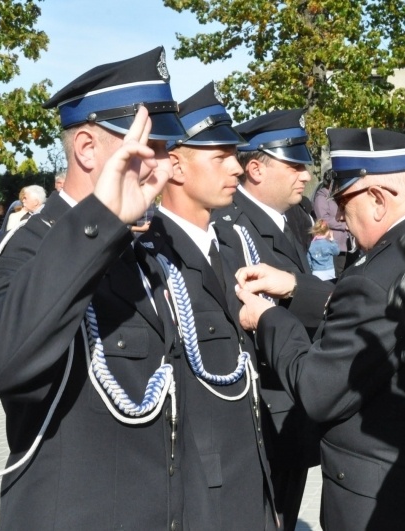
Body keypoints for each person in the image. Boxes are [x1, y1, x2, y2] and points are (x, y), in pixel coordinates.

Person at [0, 47, 268, 530]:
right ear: (86, 149)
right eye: (152, 150)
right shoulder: (33, 243)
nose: (164, 169)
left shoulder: (142, 250)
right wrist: (99, 222)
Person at [235, 127, 405, 530]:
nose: (338, 215)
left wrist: (269, 318)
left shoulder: (379, 273)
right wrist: (296, 287)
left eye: (343, 200)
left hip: (373, 498)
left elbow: (318, 391)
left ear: (376, 199)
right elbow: (388, 321)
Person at [138, 81, 276, 528]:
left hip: (253, 469)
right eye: (220, 157)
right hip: (198, 488)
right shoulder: (148, 256)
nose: (237, 168)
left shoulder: (235, 244)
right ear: (174, 166)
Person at [212, 108, 333, 531]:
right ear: (257, 168)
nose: (306, 174)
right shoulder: (231, 225)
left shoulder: (290, 218)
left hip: (290, 405)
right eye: (295, 164)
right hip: (265, 407)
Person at [313, 170, 355, 276]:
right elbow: (323, 219)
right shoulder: (321, 198)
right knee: (336, 274)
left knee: (344, 272)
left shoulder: (337, 197)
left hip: (344, 243)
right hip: (330, 243)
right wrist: (344, 226)